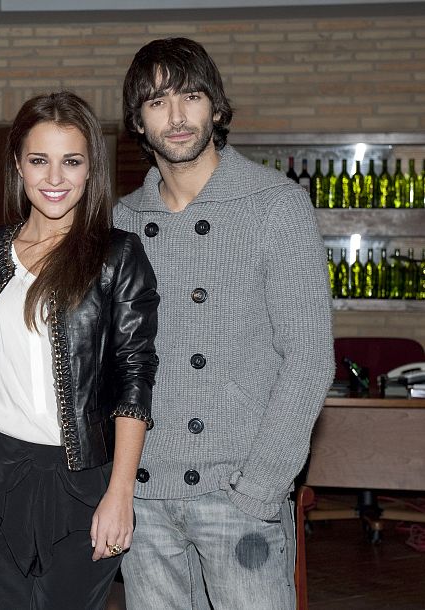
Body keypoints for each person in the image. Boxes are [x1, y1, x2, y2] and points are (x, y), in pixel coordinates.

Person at [114, 37, 334, 609]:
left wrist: (260, 487)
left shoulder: (275, 204)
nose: (177, 115)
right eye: (157, 101)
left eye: (191, 96)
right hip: (145, 500)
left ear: (215, 107)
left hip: (239, 496)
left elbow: (309, 358)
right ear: (138, 120)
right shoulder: (122, 219)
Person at [0, 91, 159, 610]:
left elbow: (135, 377)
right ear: (19, 167)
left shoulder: (118, 256)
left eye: (71, 162)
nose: (54, 178)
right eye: (39, 160)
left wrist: (121, 494)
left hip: (84, 479)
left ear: (91, 169)